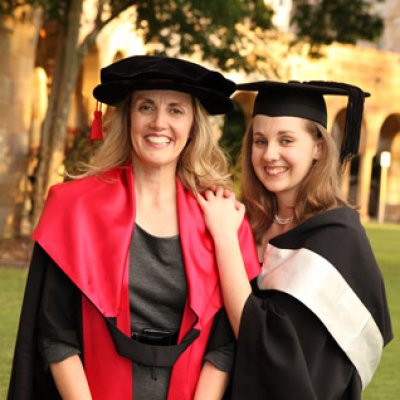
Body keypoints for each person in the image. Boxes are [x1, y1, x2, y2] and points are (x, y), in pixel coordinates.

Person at [7, 56, 261, 400]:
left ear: (193, 126)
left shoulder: (219, 218)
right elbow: (56, 334)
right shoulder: (75, 209)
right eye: (146, 107)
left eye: (176, 110)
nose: (159, 123)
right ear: (127, 118)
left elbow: (223, 345)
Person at [197, 80, 393, 399]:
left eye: (286, 140)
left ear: (318, 146)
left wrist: (224, 239)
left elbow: (263, 340)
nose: (270, 154)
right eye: (260, 141)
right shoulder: (249, 221)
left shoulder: (338, 239)